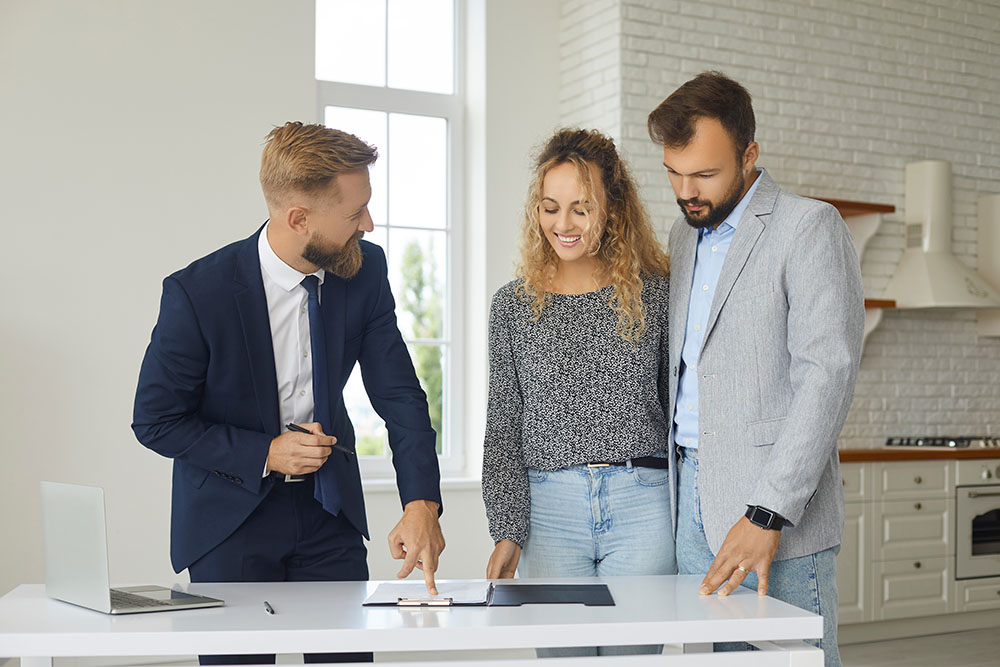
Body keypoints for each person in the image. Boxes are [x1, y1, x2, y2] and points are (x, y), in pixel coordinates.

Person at [133, 121, 445, 665]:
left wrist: (421, 503)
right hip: (229, 521)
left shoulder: (364, 272)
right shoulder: (198, 293)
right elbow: (156, 420)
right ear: (298, 218)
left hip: (329, 514)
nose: (369, 225)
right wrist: (266, 452)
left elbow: (399, 393)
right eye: (355, 214)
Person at [648, 72, 863, 667]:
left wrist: (766, 511)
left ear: (749, 155)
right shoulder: (683, 235)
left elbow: (827, 375)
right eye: (674, 172)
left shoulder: (809, 227)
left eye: (705, 174)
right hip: (689, 496)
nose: (687, 190)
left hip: (777, 511)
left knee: (791, 660)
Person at [482, 128, 674, 657]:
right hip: (548, 513)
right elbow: (504, 424)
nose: (561, 225)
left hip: (643, 505)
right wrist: (507, 528)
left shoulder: (657, 293)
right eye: (549, 207)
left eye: (580, 208)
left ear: (612, 209)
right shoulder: (512, 306)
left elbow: (680, 410)